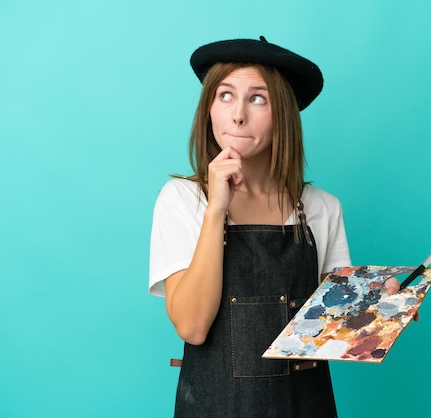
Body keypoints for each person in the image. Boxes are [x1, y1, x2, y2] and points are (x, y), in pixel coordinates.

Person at [149, 36, 401, 417]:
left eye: (257, 99)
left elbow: (329, 328)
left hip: (305, 405)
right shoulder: (182, 199)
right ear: (209, 109)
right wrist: (217, 209)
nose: (237, 115)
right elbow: (192, 327)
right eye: (225, 95)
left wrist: (385, 309)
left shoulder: (321, 208)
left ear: (282, 113)